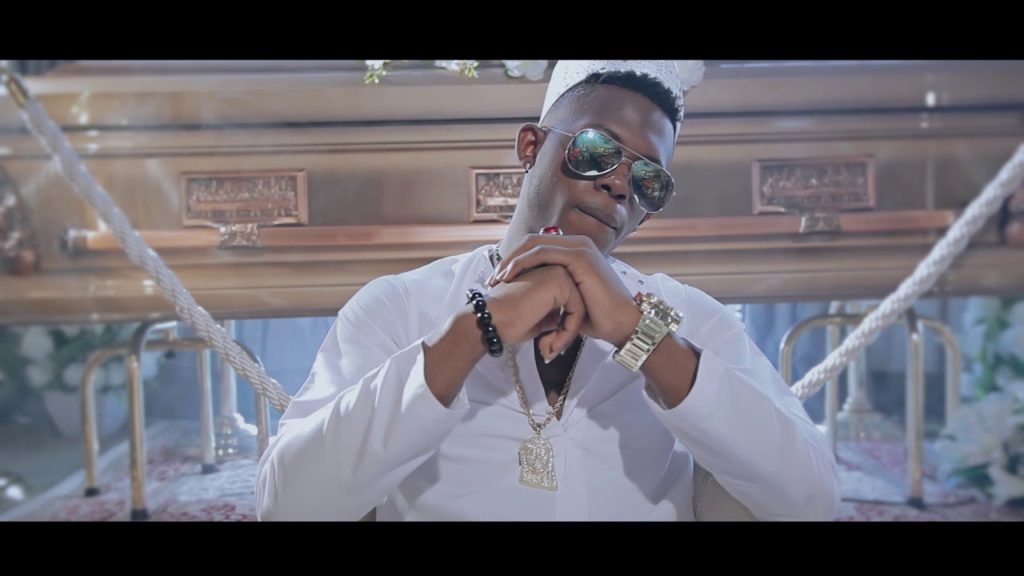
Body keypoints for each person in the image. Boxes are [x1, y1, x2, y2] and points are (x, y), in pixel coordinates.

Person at [255, 60, 840, 521]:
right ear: (531, 147)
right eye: (597, 151)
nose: (619, 184)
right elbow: (288, 506)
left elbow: (811, 500)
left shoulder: (690, 317)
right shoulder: (400, 305)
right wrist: (476, 329)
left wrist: (641, 337)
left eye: (647, 180)